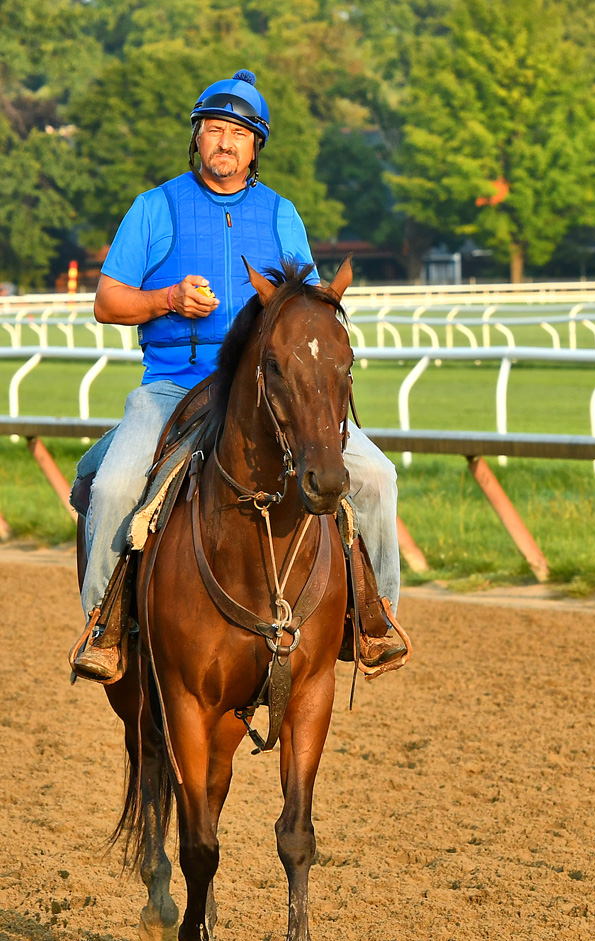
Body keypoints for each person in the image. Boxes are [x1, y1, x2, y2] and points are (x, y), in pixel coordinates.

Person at [72, 70, 406, 682]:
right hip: (175, 385)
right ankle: (105, 624)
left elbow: (303, 307)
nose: (223, 142)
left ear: (255, 147)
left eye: (237, 133)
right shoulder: (154, 208)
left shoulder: (280, 214)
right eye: (212, 130)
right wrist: (167, 300)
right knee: (116, 485)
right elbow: (107, 303)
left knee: (377, 476)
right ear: (196, 139)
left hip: (268, 391)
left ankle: (373, 618)